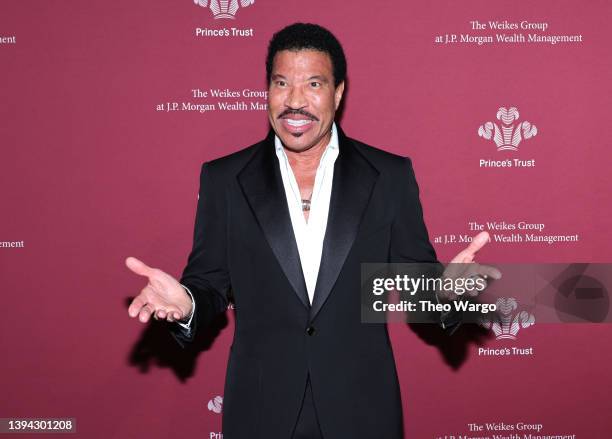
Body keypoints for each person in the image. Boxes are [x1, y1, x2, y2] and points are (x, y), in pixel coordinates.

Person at [126, 23, 499, 439]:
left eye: (314, 84)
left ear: (338, 93)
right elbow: (209, 280)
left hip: (362, 410)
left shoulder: (388, 175)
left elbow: (414, 277)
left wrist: (445, 294)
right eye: (281, 83)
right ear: (267, 91)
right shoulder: (224, 179)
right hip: (260, 410)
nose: (295, 101)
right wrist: (189, 303)